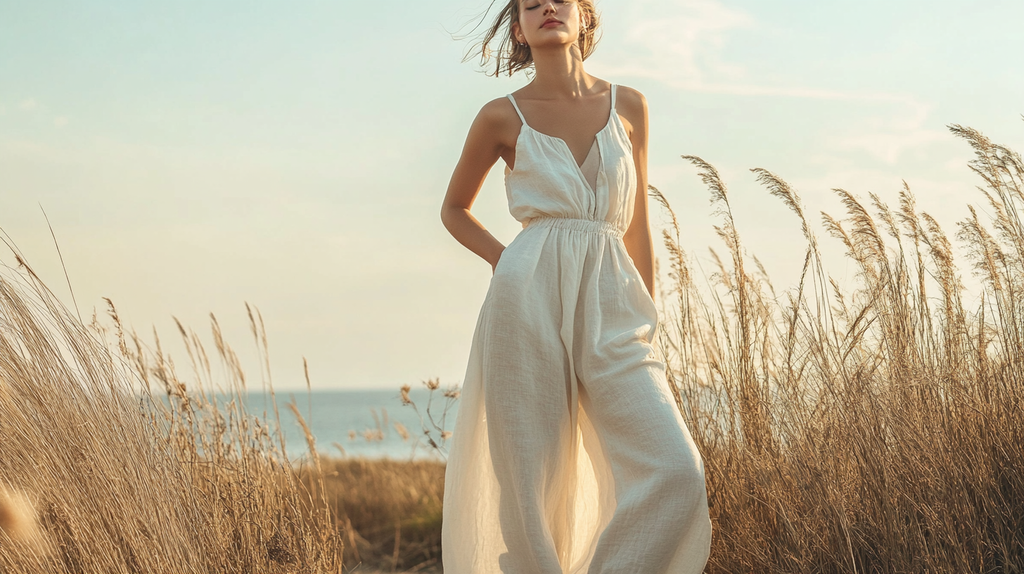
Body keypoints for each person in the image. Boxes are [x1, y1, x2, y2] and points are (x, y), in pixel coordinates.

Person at [439, 0, 712, 572]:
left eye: (558, 0)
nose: (546, 9)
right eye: (530, 5)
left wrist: (648, 318)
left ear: (584, 16)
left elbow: (635, 226)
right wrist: (505, 260)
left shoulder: (629, 105)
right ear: (519, 28)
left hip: (613, 301)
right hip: (527, 298)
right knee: (528, 483)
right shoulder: (500, 116)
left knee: (676, 469)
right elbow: (454, 210)